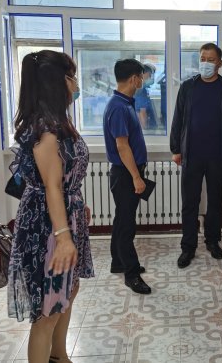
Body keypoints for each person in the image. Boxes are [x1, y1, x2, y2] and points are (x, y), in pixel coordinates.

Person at [7, 50, 94, 363]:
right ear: (57, 82)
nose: (76, 84)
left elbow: (65, 180)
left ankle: (59, 356)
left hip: (64, 218)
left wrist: (77, 208)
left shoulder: (59, 122)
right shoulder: (46, 129)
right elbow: (52, 187)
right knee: (48, 309)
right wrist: (63, 236)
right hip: (48, 228)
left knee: (67, 293)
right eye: (71, 77)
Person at [170, 43, 222, 268]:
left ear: (220, 63)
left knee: (215, 201)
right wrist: (176, 149)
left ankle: (212, 241)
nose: (206, 63)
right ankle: (188, 247)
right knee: (189, 202)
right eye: (203, 58)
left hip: (218, 156)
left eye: (211, 60)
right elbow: (177, 119)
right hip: (191, 155)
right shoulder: (188, 87)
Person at [103, 59, 151, 295]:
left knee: (122, 220)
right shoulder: (119, 107)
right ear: (134, 79)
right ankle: (131, 274)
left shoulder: (124, 103)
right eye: (141, 77)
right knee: (126, 226)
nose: (143, 81)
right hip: (125, 174)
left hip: (127, 172)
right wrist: (136, 177)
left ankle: (118, 262)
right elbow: (122, 147)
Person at [134, 63, 157, 131]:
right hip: (146, 131)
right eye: (150, 74)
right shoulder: (141, 91)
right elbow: (142, 112)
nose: (150, 77)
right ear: (145, 73)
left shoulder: (139, 87)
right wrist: (145, 129)